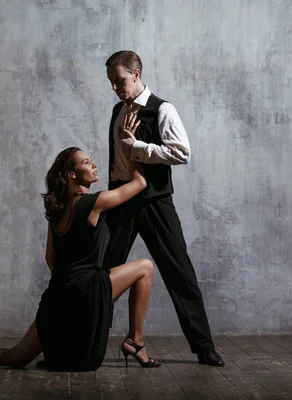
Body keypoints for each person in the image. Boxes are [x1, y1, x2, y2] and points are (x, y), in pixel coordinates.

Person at [0, 120, 161, 371]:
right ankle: (135, 342)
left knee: (16, 356)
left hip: (58, 295)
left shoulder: (57, 211)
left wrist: (70, 287)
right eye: (86, 162)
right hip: (87, 290)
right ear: (72, 174)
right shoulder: (95, 202)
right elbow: (139, 183)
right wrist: (133, 146)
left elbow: (51, 258)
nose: (94, 164)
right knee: (145, 267)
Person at [103, 50, 225, 367]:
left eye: (121, 81)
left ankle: (204, 347)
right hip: (120, 199)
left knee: (179, 274)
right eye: (112, 83)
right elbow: (117, 162)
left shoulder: (162, 109)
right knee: (101, 275)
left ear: (137, 73)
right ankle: (80, 343)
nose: (116, 88)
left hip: (155, 201)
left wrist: (138, 147)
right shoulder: (118, 109)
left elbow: (181, 152)